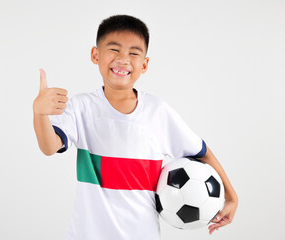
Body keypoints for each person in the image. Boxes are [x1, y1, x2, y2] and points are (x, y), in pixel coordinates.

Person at [33, 14, 238, 240]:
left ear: (145, 64)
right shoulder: (82, 107)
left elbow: (202, 152)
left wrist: (231, 196)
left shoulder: (158, 112)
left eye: (133, 53)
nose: (123, 59)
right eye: (114, 49)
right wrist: (40, 113)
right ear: (95, 55)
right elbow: (49, 146)